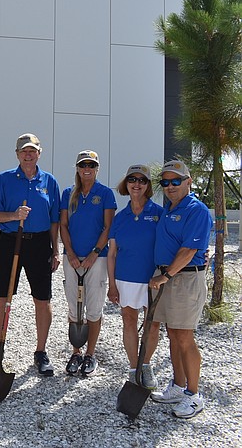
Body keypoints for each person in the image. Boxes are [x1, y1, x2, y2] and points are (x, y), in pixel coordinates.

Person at [0, 133, 61, 376]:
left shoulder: (49, 181)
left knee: (42, 299)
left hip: (40, 244)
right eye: (23, 151)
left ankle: (41, 352)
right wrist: (14, 215)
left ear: (39, 153)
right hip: (10, 242)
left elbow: (54, 221)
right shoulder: (5, 180)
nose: (28, 155)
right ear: (17, 154)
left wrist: (56, 250)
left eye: (32, 151)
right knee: (1, 296)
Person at [149, 160, 213, 419]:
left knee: (185, 337)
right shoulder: (169, 208)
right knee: (173, 334)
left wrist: (165, 275)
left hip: (184, 279)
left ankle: (194, 395)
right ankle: (178, 386)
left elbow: (189, 250)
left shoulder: (197, 210)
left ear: (188, 181)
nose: (170, 186)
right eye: (165, 182)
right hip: (169, 277)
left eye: (176, 181)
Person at [59, 150, 116, 376]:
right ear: (77, 168)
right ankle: (76, 352)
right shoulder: (68, 193)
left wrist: (95, 253)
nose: (87, 169)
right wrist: (71, 253)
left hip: (97, 258)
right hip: (72, 257)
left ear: (97, 168)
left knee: (93, 308)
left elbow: (108, 227)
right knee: (74, 307)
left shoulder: (105, 194)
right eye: (83, 165)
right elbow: (63, 225)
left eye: (91, 165)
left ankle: (90, 354)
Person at [107, 164, 163, 389]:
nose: (136, 184)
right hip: (125, 279)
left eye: (142, 180)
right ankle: (133, 368)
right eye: (132, 180)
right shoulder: (120, 217)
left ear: (148, 185)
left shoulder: (159, 214)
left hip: (153, 280)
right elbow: (112, 254)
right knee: (129, 321)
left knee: (153, 325)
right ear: (126, 184)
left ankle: (145, 366)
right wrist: (112, 285)